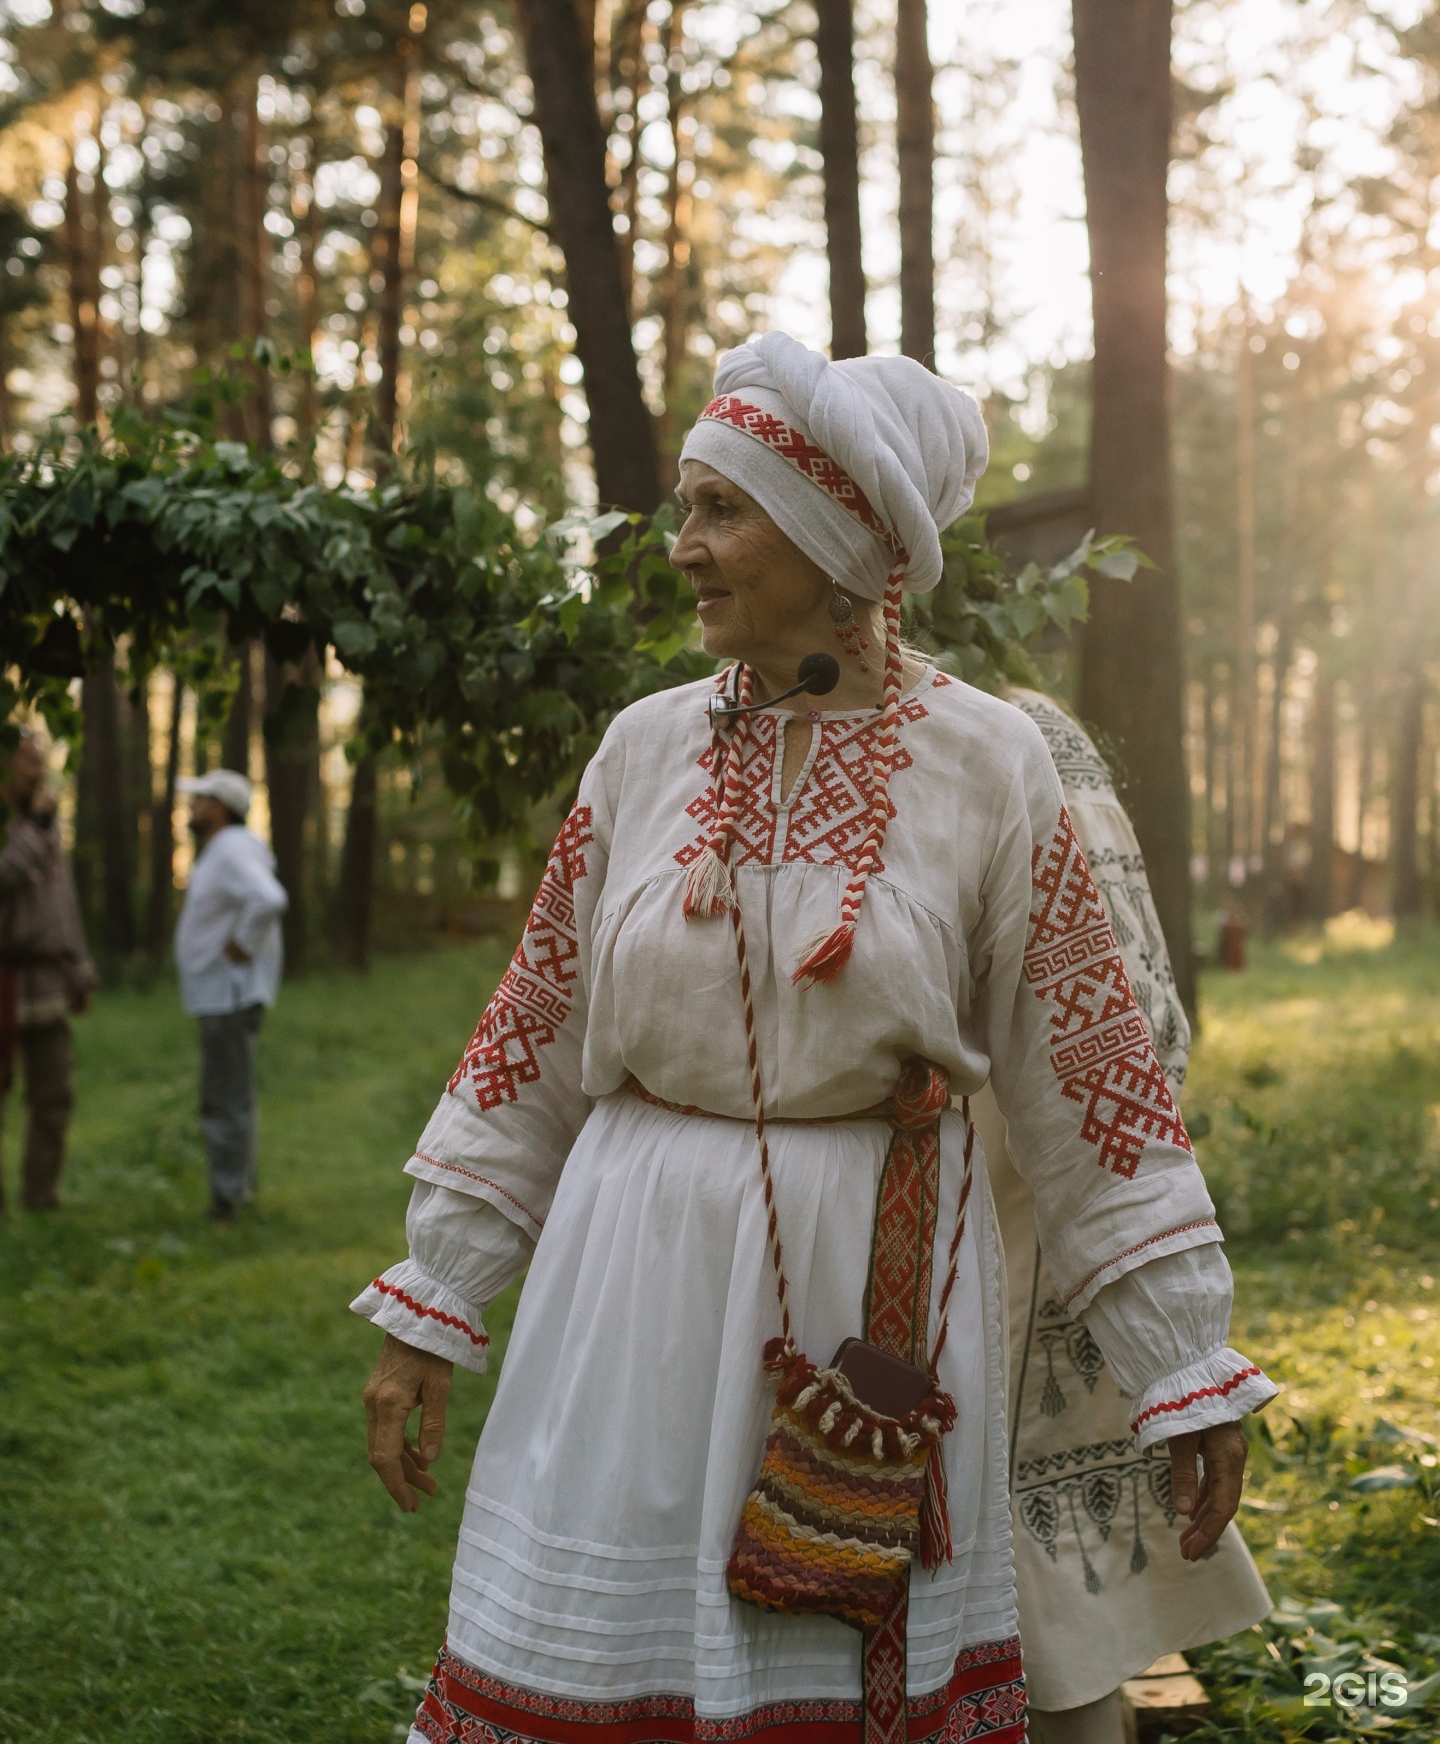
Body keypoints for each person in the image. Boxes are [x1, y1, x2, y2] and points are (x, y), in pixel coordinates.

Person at [352, 333, 1276, 1744]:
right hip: (633, 1275)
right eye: (688, 507)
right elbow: (534, 1027)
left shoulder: (987, 761)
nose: (684, 547)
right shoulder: (643, 749)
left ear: (836, 536)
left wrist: (1180, 1362)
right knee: (603, 1669)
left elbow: (1092, 1080)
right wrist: (438, 1291)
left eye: (721, 510)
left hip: (871, 1300)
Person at [984, 688, 1270, 1744]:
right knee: (1058, 1598)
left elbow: (1112, 1007)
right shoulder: (1038, 724)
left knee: (1032, 1588)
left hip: (1023, 1193)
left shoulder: (996, 734)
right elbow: (1152, 1016)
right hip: (1085, 1193)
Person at [173, 767, 288, 1222]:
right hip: (222, 994)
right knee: (227, 1095)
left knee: (224, 1098)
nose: (192, 806)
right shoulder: (227, 848)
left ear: (220, 807)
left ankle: (229, 1198)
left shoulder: (231, 848)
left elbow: (269, 898)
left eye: (200, 798)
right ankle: (234, 1188)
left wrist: (241, 944)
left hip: (228, 993)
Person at [0, 730, 96, 1212]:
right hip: (4, 977)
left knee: (54, 1095)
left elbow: (63, 903)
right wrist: (35, 829)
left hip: (47, 981)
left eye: (41, 762)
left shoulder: (45, 826)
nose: (39, 772)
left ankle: (41, 1197)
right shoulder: (22, 826)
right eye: (29, 762)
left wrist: (79, 967)